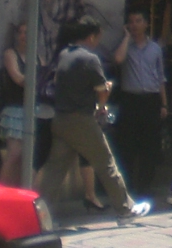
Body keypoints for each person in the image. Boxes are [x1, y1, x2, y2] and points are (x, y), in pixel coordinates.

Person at [38, 18, 150, 220]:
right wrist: (104, 95)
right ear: (91, 37)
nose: (98, 41)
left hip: (60, 120)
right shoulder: (91, 59)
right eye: (98, 37)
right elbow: (101, 92)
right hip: (82, 120)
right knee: (106, 164)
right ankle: (125, 208)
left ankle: (36, 212)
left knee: (54, 170)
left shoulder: (64, 54)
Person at [112, 8, 168, 200]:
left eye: (138, 21)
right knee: (127, 144)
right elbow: (118, 59)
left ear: (146, 24)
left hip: (151, 99)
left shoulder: (155, 49)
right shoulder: (125, 46)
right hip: (130, 99)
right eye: (131, 21)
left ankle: (145, 185)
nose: (135, 25)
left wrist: (164, 104)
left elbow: (160, 78)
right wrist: (127, 37)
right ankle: (127, 186)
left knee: (150, 145)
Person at [0, 22, 32, 185]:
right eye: (21, 32)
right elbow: (18, 78)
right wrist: (38, 81)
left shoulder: (38, 56)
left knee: (25, 157)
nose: (23, 36)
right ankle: (1, 191)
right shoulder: (10, 54)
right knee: (14, 154)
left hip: (33, 111)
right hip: (15, 109)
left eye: (27, 32)